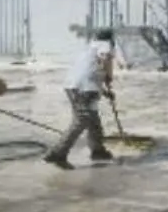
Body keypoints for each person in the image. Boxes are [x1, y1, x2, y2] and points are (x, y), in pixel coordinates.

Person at [43, 28, 117, 169]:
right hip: (84, 88)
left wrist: (104, 92)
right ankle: (58, 153)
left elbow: (89, 72)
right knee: (82, 119)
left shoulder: (89, 48)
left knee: (92, 118)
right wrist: (109, 76)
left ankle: (98, 151)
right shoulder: (105, 45)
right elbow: (105, 58)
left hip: (73, 86)